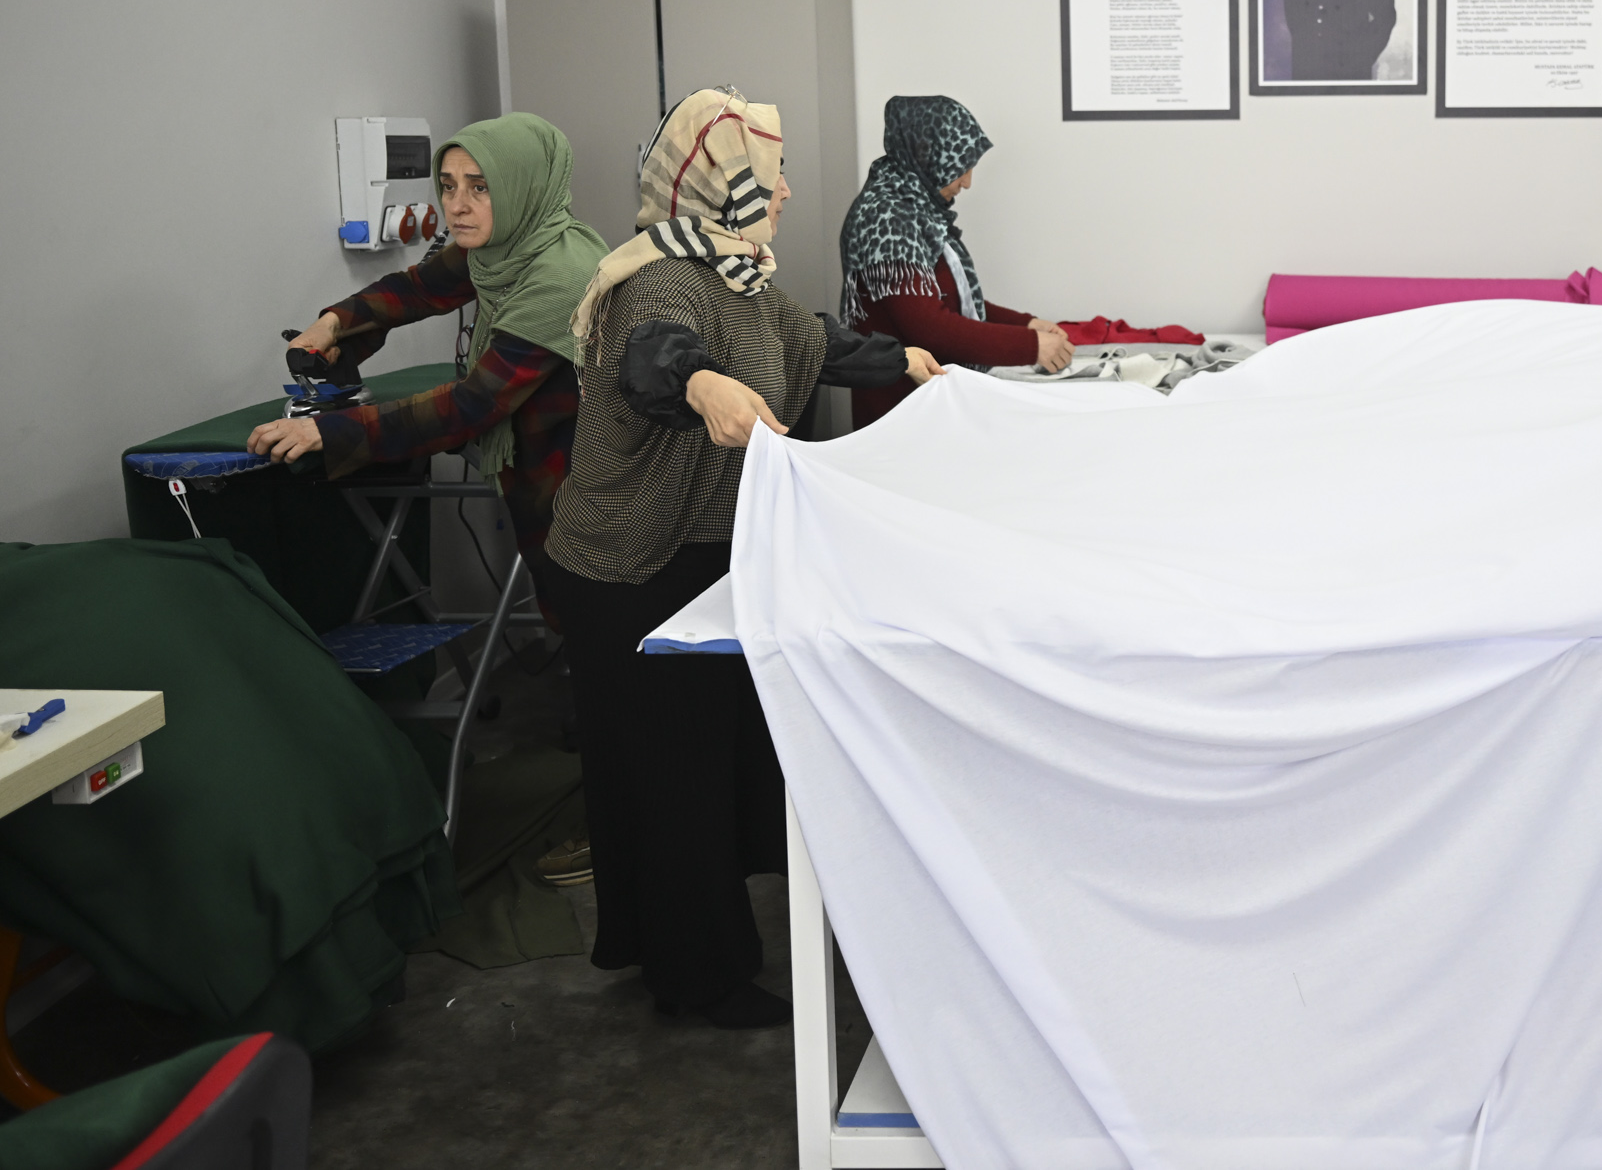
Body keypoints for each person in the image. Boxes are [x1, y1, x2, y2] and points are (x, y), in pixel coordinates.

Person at [535, 87, 935, 1030]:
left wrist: (910, 361)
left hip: (690, 560)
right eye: (771, 172)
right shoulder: (661, 280)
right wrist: (703, 381)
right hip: (625, 569)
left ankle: (678, 949)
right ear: (725, 182)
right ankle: (696, 979)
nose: (786, 190)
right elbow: (652, 357)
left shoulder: (740, 278)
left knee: (699, 766)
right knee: (672, 777)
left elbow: (816, 342)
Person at [245, 112, 609, 599]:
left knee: (593, 618)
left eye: (480, 187)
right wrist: (332, 324)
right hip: (548, 483)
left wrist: (325, 432)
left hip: (589, 497)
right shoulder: (507, 244)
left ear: (523, 186)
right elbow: (417, 290)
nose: (457, 206)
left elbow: (472, 405)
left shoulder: (561, 275)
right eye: (449, 186)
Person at [840, 95, 1069, 429]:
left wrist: (1026, 324)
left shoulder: (918, 209)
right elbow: (929, 327)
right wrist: (1030, 346)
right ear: (928, 154)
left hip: (930, 404)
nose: (967, 182)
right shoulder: (886, 217)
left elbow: (952, 300)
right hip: (903, 416)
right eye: (960, 167)